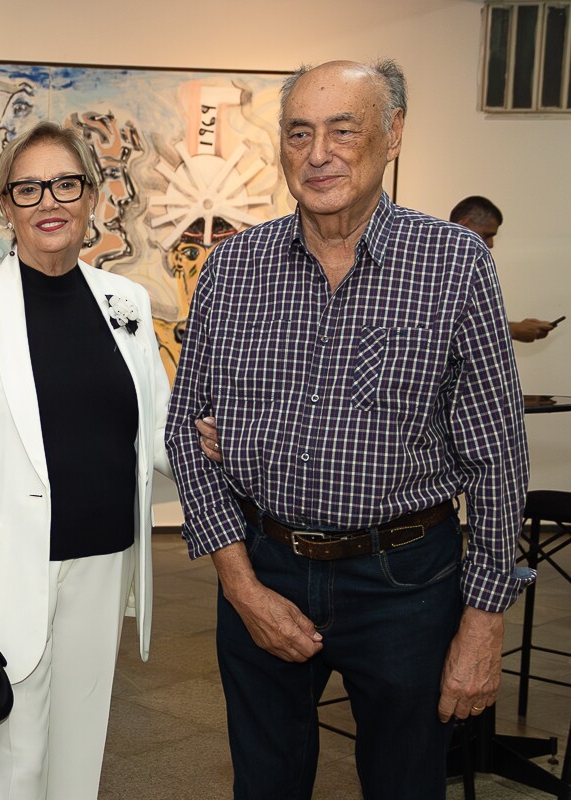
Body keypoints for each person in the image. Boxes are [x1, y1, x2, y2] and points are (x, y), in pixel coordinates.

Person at [165, 61, 530, 800]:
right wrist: (241, 586)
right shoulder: (232, 270)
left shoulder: (454, 266)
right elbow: (184, 437)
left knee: (404, 785)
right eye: (300, 132)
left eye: (343, 129)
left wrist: (483, 624)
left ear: (392, 134)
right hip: (264, 564)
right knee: (264, 785)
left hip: (406, 584)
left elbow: (496, 458)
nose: (319, 152)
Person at [0, 121, 172, 800]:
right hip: (2, 573)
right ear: (6, 205)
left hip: (102, 567)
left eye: (64, 183)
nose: (48, 200)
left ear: (91, 196)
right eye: (28, 189)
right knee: (6, 764)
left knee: (77, 757)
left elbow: (160, 432)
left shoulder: (127, 304)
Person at [450, 195, 557, 342]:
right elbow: (444, 330)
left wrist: (514, 327)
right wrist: (511, 330)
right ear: (465, 225)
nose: (491, 244)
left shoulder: (472, 270)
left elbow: (473, 323)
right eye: (487, 235)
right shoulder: (431, 268)